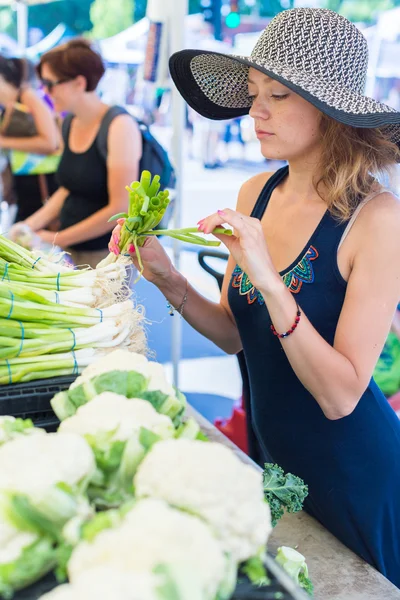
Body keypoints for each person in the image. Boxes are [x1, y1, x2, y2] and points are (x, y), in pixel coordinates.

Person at [110, 8, 400, 588]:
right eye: (252, 93)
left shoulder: (378, 219)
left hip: (355, 472)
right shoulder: (256, 191)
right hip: (270, 454)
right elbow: (236, 335)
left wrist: (270, 280)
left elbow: (342, 396)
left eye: (278, 96)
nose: (255, 111)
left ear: (329, 110)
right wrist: (167, 277)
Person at [15, 39, 142, 268]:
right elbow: (69, 187)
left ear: (79, 83)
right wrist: (29, 225)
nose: (45, 91)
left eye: (50, 83)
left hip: (108, 257)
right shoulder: (69, 122)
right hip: (72, 251)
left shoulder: (119, 126)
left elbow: (120, 207)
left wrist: (56, 238)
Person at [0, 55, 60, 220]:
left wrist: (4, 142)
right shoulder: (7, 104)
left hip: (41, 183)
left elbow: (50, 142)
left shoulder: (27, 96)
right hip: (22, 184)